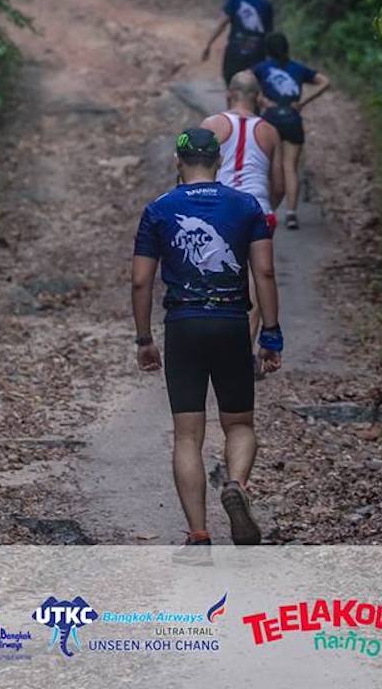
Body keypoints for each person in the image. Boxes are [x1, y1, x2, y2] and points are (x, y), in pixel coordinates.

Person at [131, 127, 283, 558]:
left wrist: (144, 338)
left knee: (187, 435)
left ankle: (198, 536)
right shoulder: (245, 205)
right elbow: (265, 273)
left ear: (178, 163)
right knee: (239, 424)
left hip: (184, 326)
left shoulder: (159, 209)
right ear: (218, 163)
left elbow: (141, 279)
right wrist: (270, 332)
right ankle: (235, 484)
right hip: (233, 324)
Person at [200, 70, 284, 366]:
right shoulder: (270, 131)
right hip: (257, 211)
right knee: (257, 277)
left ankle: (207, 345)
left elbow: (195, 172)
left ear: (228, 94)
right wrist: (267, 208)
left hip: (216, 210)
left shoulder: (212, 125)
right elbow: (279, 186)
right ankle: (242, 351)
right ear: (258, 98)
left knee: (211, 274)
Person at [252, 33, 330, 230]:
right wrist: (303, 102)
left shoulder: (262, 68)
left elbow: (245, 81)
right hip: (292, 119)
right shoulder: (298, 68)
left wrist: (262, 100)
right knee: (290, 168)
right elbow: (325, 81)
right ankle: (291, 213)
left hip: (270, 120)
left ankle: (266, 211)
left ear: (268, 49)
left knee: (269, 168)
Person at [201, 0, 274, 86]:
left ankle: (232, 101)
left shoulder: (234, 0)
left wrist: (208, 44)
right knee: (254, 85)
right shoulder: (266, 4)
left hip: (236, 48)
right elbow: (269, 34)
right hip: (257, 51)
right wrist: (272, 57)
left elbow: (222, 24)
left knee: (230, 81)